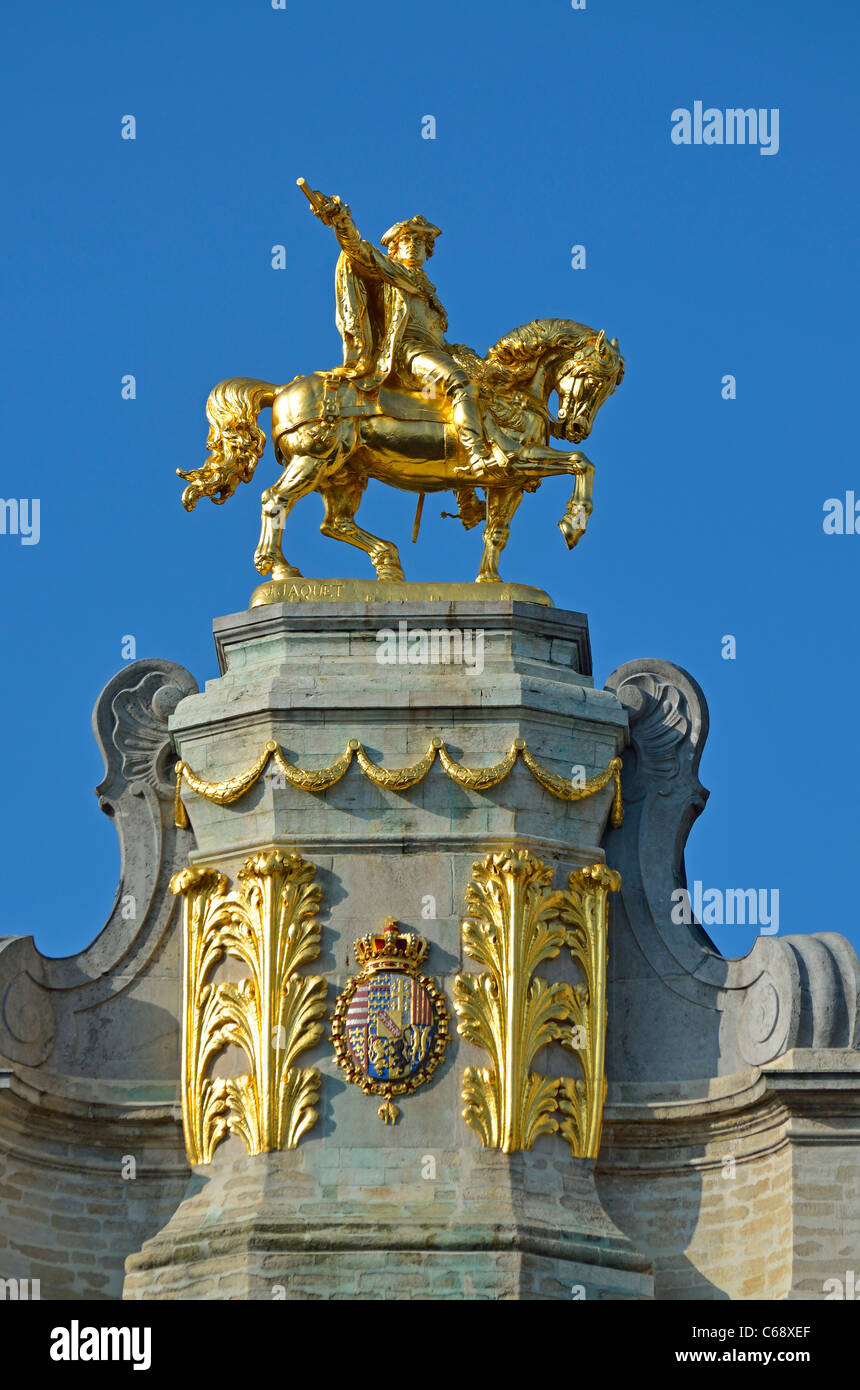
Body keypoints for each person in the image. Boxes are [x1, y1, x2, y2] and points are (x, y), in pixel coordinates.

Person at [306, 190, 493, 475]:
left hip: (430, 352)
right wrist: (341, 219)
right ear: (393, 248)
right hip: (407, 353)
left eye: (421, 241)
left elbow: (436, 339)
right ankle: (476, 455)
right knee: (461, 384)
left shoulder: (427, 286)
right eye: (406, 240)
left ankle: (464, 494)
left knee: (483, 391)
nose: (414, 245)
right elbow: (358, 248)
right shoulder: (389, 272)